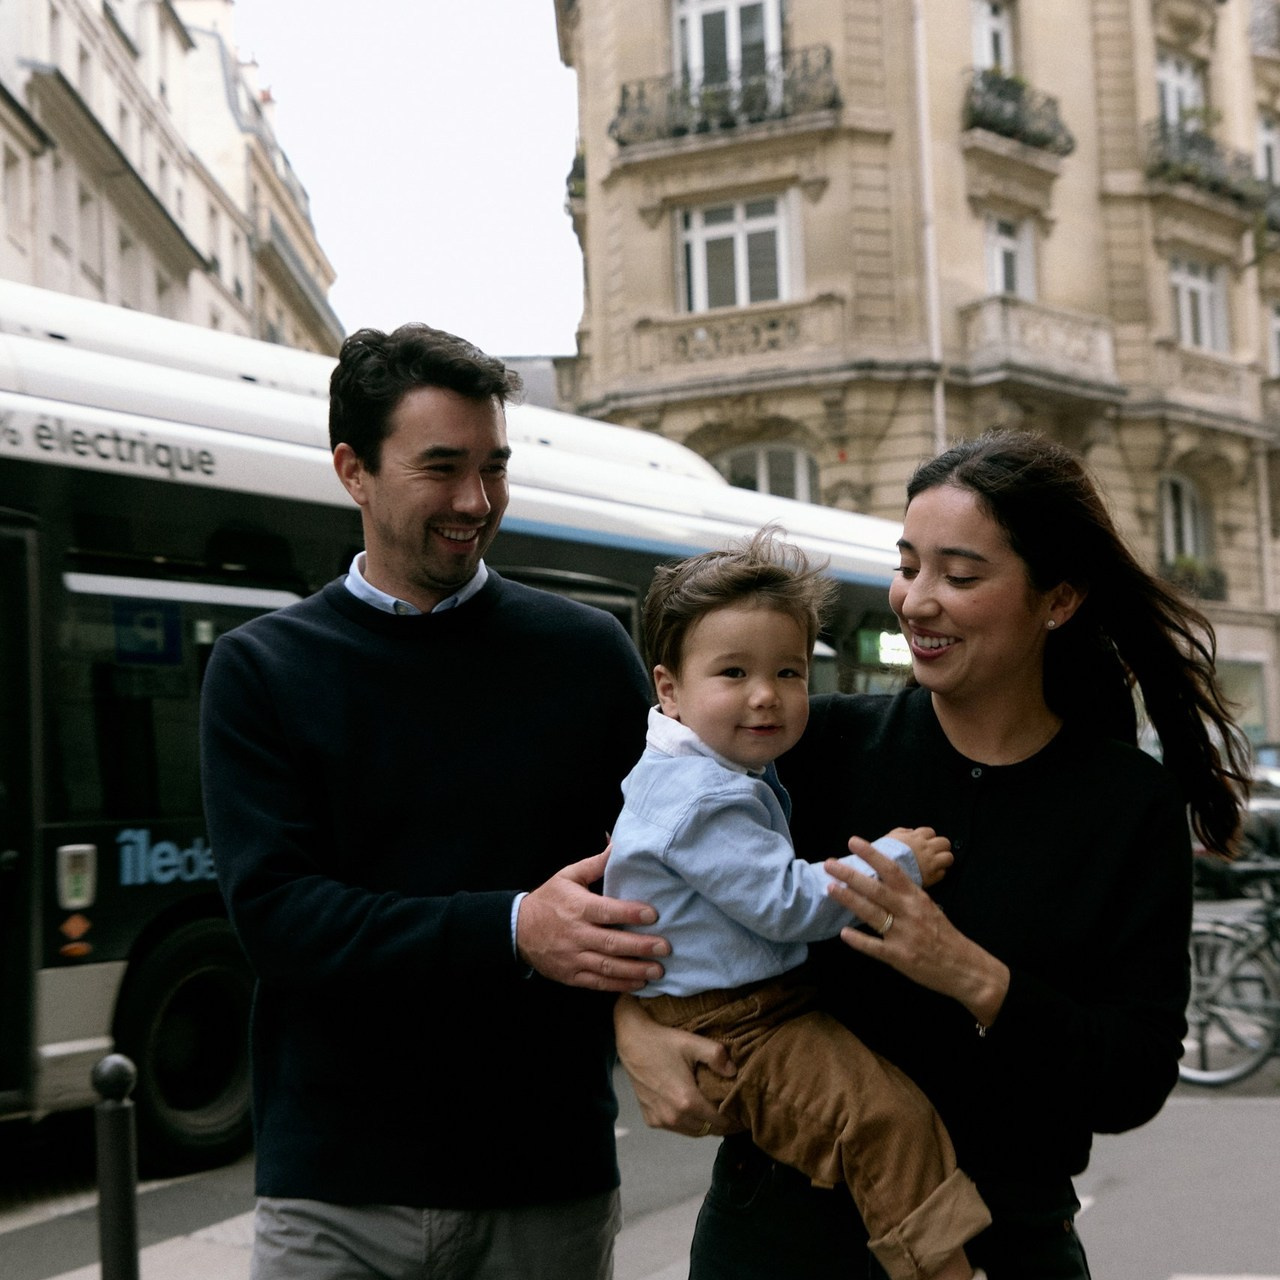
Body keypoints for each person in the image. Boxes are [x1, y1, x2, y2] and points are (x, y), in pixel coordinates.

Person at [614, 430, 1248, 1279]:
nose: (915, 601)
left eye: (959, 575)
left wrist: (969, 974)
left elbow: (1132, 1082)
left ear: (1056, 601)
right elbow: (628, 889)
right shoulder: (807, 745)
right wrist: (631, 1028)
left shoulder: (1123, 803)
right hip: (777, 1241)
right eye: (908, 564)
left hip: (1005, 1243)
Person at [200, 322, 669, 1280]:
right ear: (353, 470)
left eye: (494, 466)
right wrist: (512, 930)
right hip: (336, 1195)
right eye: (442, 467)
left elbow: (667, 876)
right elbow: (282, 922)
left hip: (547, 1184)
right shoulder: (260, 670)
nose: (477, 501)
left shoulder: (587, 656)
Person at [603, 530, 991, 1280]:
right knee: (882, 1120)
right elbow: (785, 904)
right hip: (734, 1023)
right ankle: (940, 1269)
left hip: (744, 1008)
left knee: (877, 1118)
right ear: (669, 689)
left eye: (789, 671)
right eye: (734, 672)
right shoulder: (703, 797)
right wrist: (898, 861)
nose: (765, 695)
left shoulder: (699, 765)